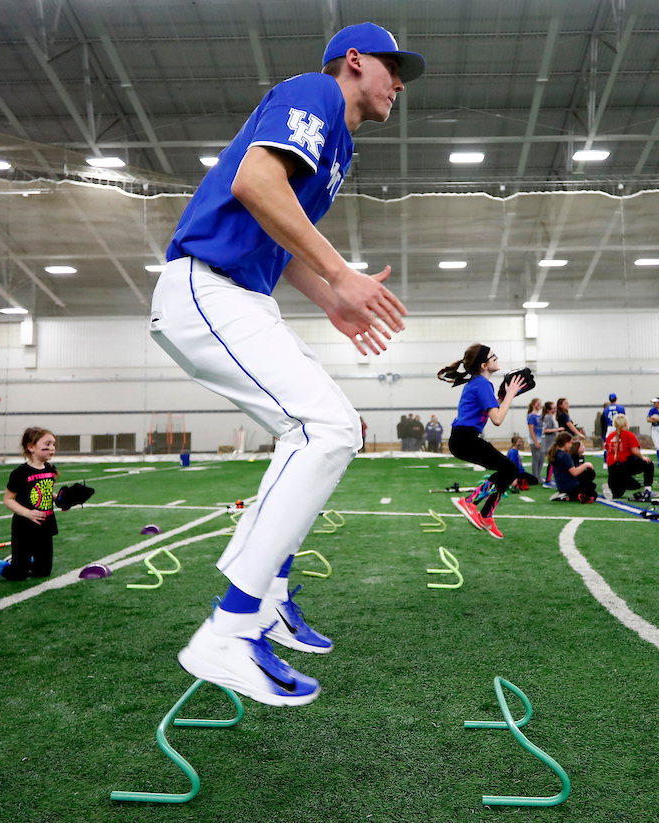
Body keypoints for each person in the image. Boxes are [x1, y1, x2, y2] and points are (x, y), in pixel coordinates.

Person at [148, 22, 423, 707]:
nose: (399, 84)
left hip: (238, 295)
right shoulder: (316, 94)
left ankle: (267, 596)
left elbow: (280, 228)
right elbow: (254, 182)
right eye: (394, 69)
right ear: (354, 62)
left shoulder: (340, 144)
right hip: (206, 286)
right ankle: (231, 628)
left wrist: (331, 297)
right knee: (325, 427)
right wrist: (343, 273)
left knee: (325, 428)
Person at [441, 344, 534, 539]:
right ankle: (470, 503)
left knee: (509, 470)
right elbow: (497, 419)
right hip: (465, 439)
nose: (497, 358)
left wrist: (502, 397)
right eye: (494, 357)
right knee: (510, 469)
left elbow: (492, 408)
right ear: (484, 364)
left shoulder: (480, 384)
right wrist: (510, 395)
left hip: (463, 439)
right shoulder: (482, 384)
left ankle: (486, 515)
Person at [0, 428, 60, 581]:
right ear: (31, 447)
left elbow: (44, 492)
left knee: (43, 572)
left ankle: (20, 561)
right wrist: (27, 513)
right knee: (18, 575)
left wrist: (60, 499)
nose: (52, 448)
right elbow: (8, 499)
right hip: (24, 526)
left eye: (53, 444)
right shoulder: (20, 473)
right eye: (47, 444)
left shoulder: (50, 470)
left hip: (45, 525)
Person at [605, 413, 655, 500]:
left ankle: (612, 485)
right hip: (624, 465)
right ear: (625, 424)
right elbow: (635, 451)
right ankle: (648, 489)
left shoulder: (610, 436)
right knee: (648, 464)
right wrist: (643, 458)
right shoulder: (629, 435)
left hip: (612, 468)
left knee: (617, 494)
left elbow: (607, 450)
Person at [547, 431, 597, 502]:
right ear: (566, 443)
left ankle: (570, 495)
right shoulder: (565, 456)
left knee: (590, 486)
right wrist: (585, 465)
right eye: (570, 443)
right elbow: (574, 472)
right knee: (591, 491)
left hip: (561, 485)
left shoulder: (557, 453)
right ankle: (570, 496)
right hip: (570, 485)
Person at [526, 398, 544, 481]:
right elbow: (531, 430)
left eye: (540, 404)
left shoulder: (541, 415)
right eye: (538, 404)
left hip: (541, 439)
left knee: (541, 459)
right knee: (536, 459)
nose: (539, 405)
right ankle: (535, 477)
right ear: (533, 405)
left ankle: (538, 475)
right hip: (534, 440)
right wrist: (536, 441)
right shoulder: (531, 416)